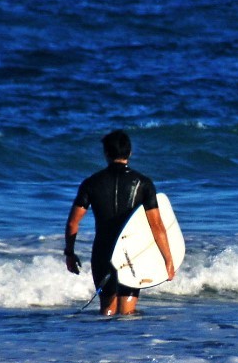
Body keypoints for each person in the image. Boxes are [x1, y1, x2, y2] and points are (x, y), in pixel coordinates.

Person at [65, 129, 175, 315]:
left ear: (106, 153)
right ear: (130, 153)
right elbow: (157, 226)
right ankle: (127, 344)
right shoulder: (144, 183)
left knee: (106, 311)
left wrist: (70, 253)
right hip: (131, 255)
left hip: (103, 252)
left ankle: (104, 344)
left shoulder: (91, 183)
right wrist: (168, 260)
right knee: (127, 314)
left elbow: (72, 224)